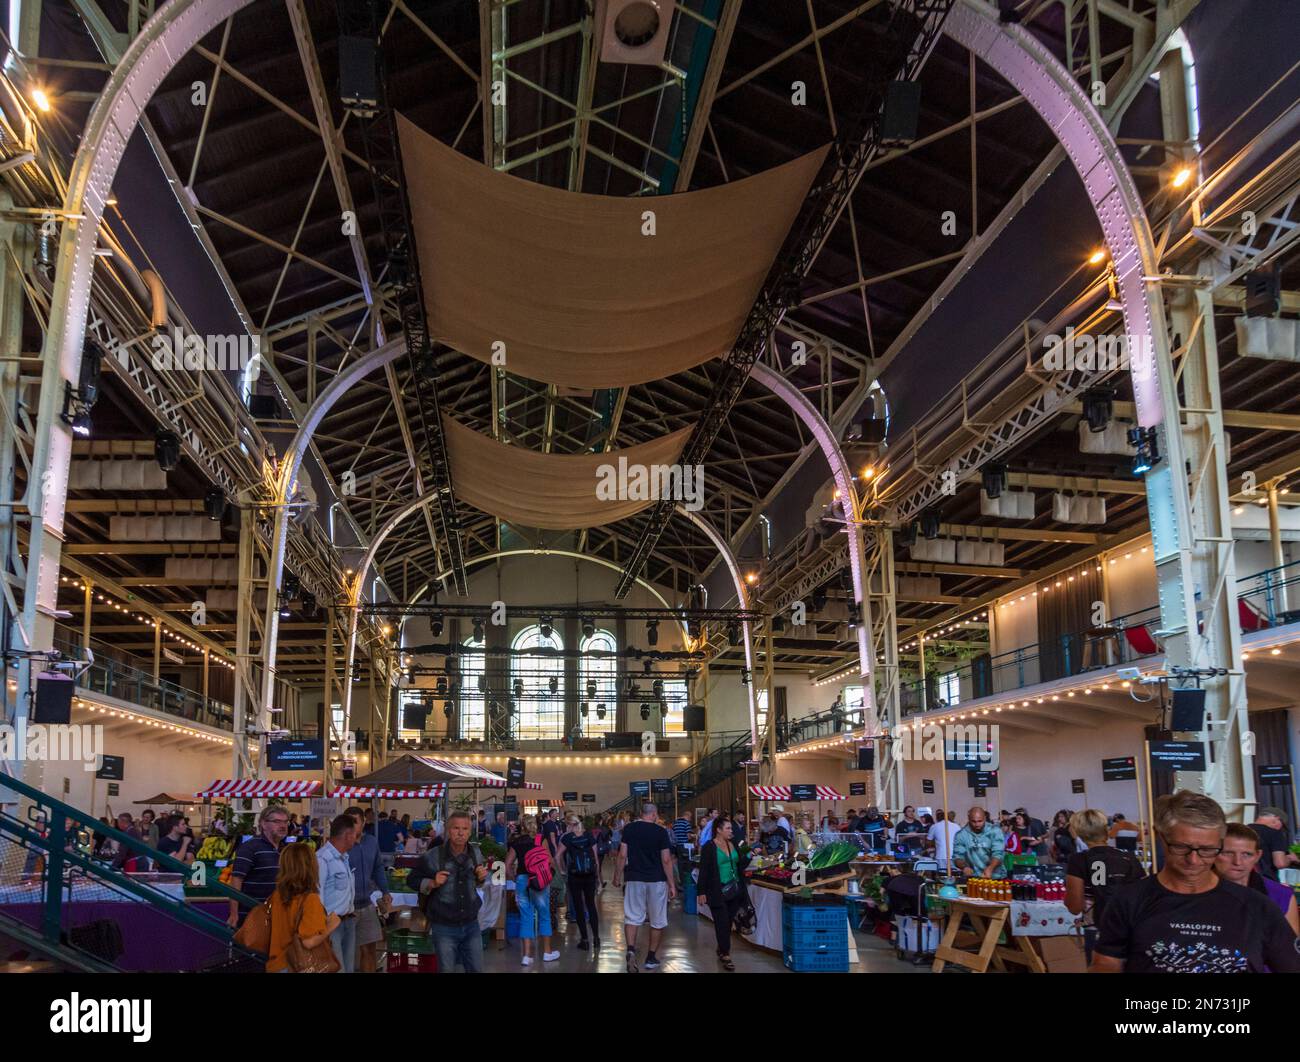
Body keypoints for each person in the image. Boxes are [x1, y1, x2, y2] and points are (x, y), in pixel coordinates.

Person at [1092, 791, 1300, 973]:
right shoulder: (1130, 900)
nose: (1194, 860)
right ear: (1161, 838)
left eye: (1207, 850)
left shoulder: (1257, 907)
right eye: (1181, 847)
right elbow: (1106, 965)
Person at [408, 810, 489, 973]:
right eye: (456, 828)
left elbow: (476, 884)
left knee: (476, 969)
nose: (460, 833)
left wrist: (481, 878)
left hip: (471, 924)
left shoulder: (476, 853)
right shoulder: (433, 856)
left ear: (470, 832)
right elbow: (411, 880)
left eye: (465, 829)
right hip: (443, 927)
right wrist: (431, 882)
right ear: (448, 830)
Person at [1064, 809, 1146, 961]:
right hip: (1130, 928)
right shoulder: (1129, 858)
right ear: (1106, 830)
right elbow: (1143, 896)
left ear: (1079, 833)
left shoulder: (1079, 860)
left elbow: (1075, 907)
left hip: (1098, 928)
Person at [614, 802, 675, 973]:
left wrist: (616, 876)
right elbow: (666, 860)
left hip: (634, 878)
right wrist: (672, 884)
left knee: (632, 917)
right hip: (656, 880)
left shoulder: (629, 829)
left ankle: (631, 950)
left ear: (641, 813)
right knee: (657, 920)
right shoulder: (661, 832)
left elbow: (622, 855)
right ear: (654, 814)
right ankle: (650, 957)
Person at [266, 840, 338, 973]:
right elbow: (308, 942)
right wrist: (332, 924)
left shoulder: (276, 896)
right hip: (297, 966)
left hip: (276, 964)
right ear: (311, 867)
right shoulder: (310, 900)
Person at [1215, 823, 1300, 936]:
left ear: (1257, 856)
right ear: (1213, 852)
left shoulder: (1280, 895)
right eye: (1228, 853)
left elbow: (1290, 948)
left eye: (1247, 854)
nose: (1237, 862)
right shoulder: (1193, 890)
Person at [697, 816, 751, 971]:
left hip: (734, 891)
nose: (731, 831)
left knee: (727, 923)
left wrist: (749, 854)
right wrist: (701, 892)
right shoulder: (709, 847)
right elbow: (704, 871)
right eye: (727, 828)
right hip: (717, 891)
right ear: (718, 830)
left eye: (731, 828)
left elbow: (739, 864)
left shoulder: (732, 844)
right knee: (721, 922)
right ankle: (726, 954)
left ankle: (721, 947)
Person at [505, 815, 558, 965]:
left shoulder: (516, 842)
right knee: (544, 915)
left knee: (526, 916)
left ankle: (527, 956)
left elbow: (507, 864)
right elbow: (550, 861)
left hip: (522, 880)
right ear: (535, 825)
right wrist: (552, 873)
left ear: (522, 826)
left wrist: (514, 878)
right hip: (539, 881)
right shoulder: (541, 840)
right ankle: (547, 952)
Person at [344, 806, 391, 974]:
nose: (352, 825)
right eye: (348, 822)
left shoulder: (371, 842)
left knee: (369, 949)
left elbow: (378, 867)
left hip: (367, 904)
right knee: (345, 954)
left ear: (364, 823)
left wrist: (385, 891)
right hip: (346, 908)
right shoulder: (341, 844)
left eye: (355, 821)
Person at [227, 805, 290, 926]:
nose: (283, 826)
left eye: (285, 822)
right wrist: (234, 913)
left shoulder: (285, 849)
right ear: (263, 824)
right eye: (277, 821)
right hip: (252, 917)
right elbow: (236, 880)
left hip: (277, 916)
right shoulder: (250, 848)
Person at [316, 814, 358, 972]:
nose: (356, 838)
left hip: (348, 922)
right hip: (331, 926)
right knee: (336, 968)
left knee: (348, 968)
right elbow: (317, 896)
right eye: (354, 834)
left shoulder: (343, 858)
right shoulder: (322, 859)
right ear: (347, 835)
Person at [557, 815, 601, 950]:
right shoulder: (588, 835)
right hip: (589, 875)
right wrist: (597, 876)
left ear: (569, 825)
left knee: (579, 907)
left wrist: (563, 870)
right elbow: (596, 858)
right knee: (591, 905)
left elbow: (557, 856)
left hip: (574, 876)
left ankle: (585, 940)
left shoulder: (567, 838)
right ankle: (597, 939)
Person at [952, 807, 1006, 879]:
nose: (977, 824)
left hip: (996, 877)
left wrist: (990, 868)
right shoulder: (961, 835)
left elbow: (998, 853)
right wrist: (964, 867)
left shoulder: (995, 831)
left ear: (985, 818)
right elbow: (957, 857)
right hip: (974, 877)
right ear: (968, 819)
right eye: (973, 821)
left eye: (980, 821)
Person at [1250, 807, 1298, 881]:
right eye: (1282, 825)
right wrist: (1290, 858)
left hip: (1243, 879)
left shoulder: (1244, 830)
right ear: (1277, 819)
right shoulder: (1274, 833)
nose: (1280, 828)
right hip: (1265, 881)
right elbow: (1280, 863)